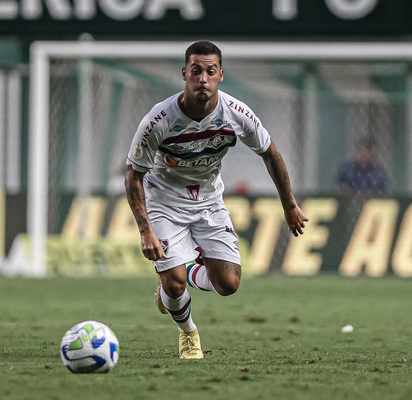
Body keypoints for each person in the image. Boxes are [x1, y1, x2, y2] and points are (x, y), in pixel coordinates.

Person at [124, 41, 308, 359]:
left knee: (229, 283)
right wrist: (145, 230)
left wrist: (289, 205)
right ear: (185, 74)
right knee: (174, 283)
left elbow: (271, 153)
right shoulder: (158, 120)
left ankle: (180, 271)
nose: (203, 79)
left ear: (221, 75)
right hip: (164, 202)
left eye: (211, 71)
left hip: (208, 201)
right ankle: (188, 333)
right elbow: (133, 175)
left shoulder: (236, 114)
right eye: (196, 71)